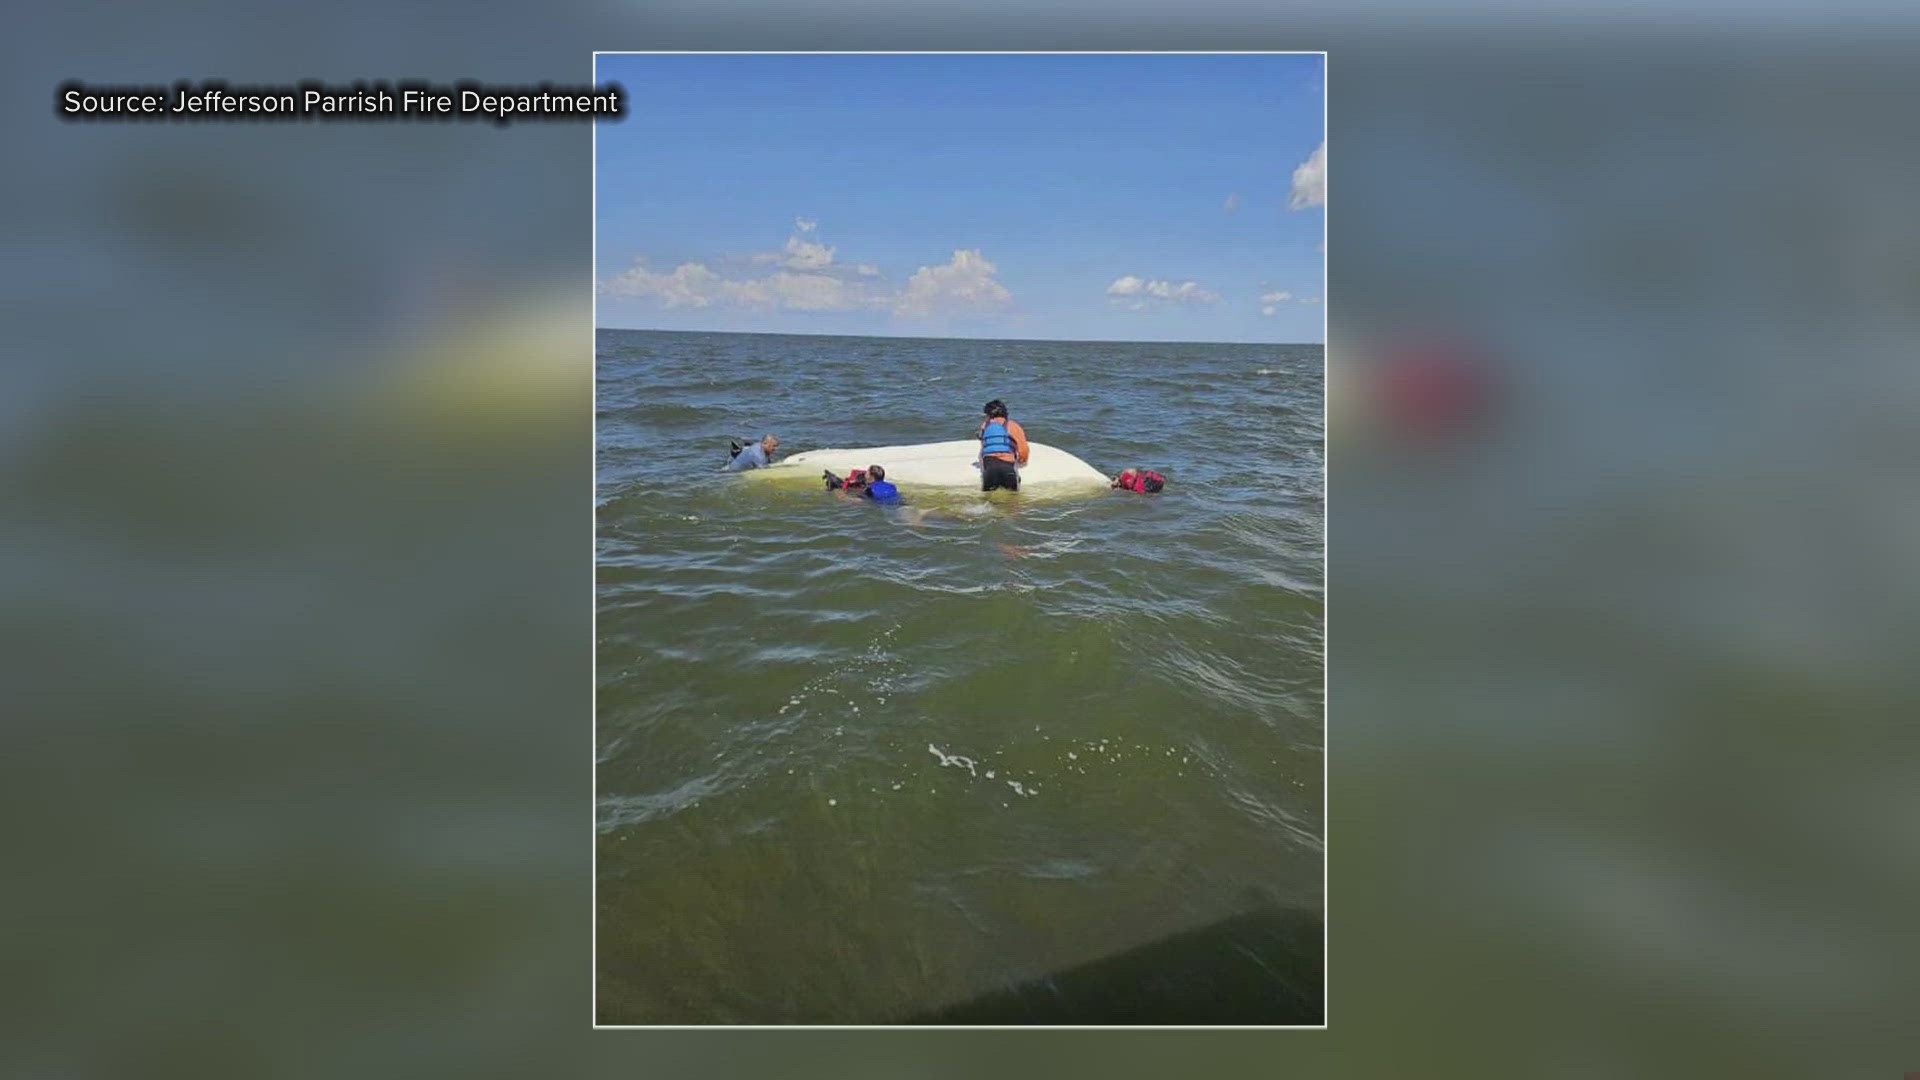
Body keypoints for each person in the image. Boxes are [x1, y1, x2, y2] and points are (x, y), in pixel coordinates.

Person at [975, 399, 1028, 492]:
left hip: (989, 470)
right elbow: (1023, 449)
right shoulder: (1013, 426)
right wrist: (1022, 460)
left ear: (988, 415)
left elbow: (984, 447)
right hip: (1008, 468)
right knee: (1012, 502)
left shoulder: (985, 426)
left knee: (988, 503)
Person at [824, 464, 902, 504]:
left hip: (879, 504)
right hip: (898, 502)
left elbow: (854, 501)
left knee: (841, 490)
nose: (865, 474)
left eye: (867, 473)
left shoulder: (869, 490)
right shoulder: (892, 486)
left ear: (871, 476)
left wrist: (840, 492)